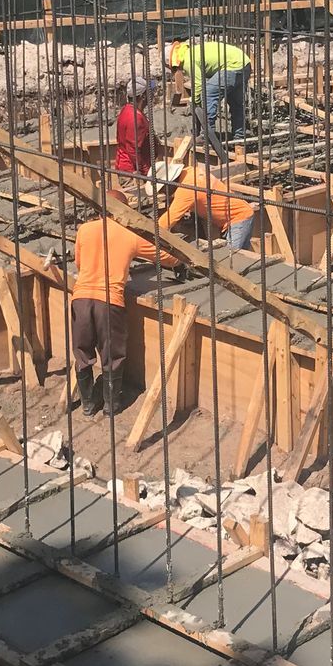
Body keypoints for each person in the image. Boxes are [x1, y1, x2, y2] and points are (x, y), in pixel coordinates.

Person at [69, 213, 178, 416]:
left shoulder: (84, 229)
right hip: (110, 302)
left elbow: (79, 264)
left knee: (82, 351)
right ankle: (111, 405)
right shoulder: (130, 234)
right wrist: (180, 260)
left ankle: (87, 405)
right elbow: (164, 257)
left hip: (81, 299)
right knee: (113, 353)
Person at [160, 157, 259, 250]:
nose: (163, 193)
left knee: (232, 258)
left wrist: (150, 233)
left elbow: (169, 219)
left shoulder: (186, 190)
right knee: (238, 256)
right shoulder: (190, 172)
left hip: (238, 219)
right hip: (235, 216)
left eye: (162, 189)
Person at [169, 36, 252, 148]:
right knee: (236, 103)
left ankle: (206, 135)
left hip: (232, 66)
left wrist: (196, 101)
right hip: (244, 64)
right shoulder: (192, 52)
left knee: (207, 93)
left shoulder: (188, 61)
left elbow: (199, 85)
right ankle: (239, 137)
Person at [112, 78, 155, 179]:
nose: (152, 95)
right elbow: (133, 149)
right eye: (150, 93)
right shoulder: (135, 118)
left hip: (126, 166)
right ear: (143, 96)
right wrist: (145, 172)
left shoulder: (126, 109)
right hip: (131, 172)